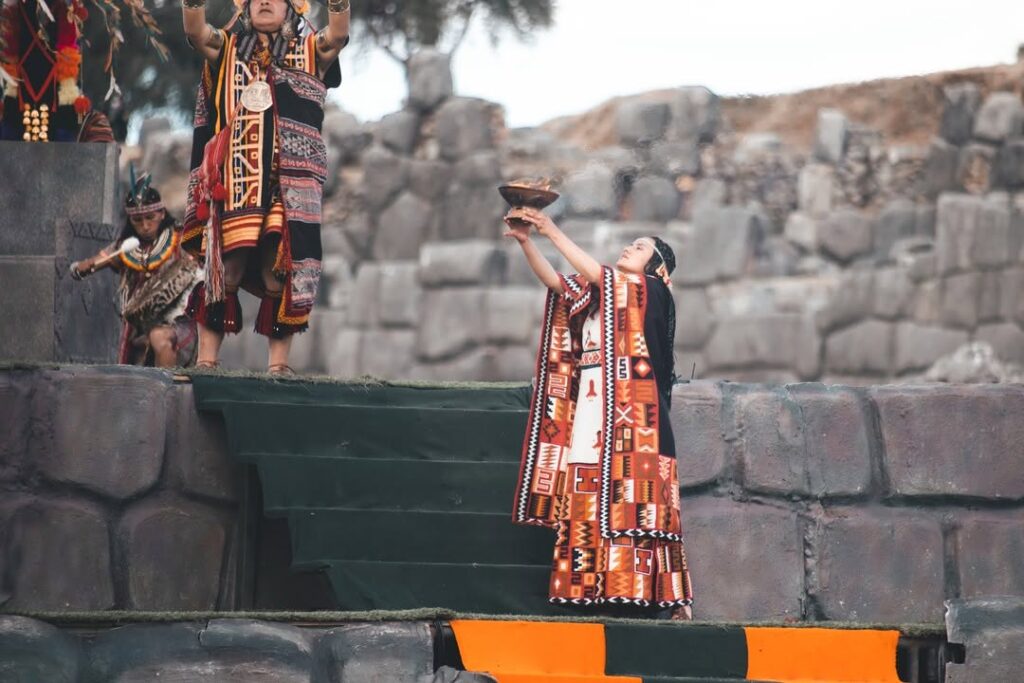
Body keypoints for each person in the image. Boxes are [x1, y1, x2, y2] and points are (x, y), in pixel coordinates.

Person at [506, 206, 694, 620]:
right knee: (585, 491)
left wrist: (550, 228)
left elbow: (597, 274)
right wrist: (526, 242)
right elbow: (558, 284)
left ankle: (653, 594)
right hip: (594, 411)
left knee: (636, 501)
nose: (629, 248)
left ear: (658, 267)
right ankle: (593, 589)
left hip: (637, 419)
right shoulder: (602, 296)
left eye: (640, 247)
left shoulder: (650, 291)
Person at [180, 0, 350, 374]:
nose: (265, 2)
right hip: (235, 180)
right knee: (227, 267)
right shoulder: (226, 48)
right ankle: (206, 362)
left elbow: (337, 35)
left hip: (287, 183)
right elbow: (195, 30)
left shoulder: (309, 50)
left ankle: (278, 367)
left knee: (279, 270)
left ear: (291, 8)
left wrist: (338, 4)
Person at [71, 175, 201, 368]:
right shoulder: (125, 248)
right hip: (138, 327)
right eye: (137, 220)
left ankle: (168, 385)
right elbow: (97, 261)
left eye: (150, 218)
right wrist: (83, 266)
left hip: (177, 321)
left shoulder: (180, 238)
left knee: (160, 339)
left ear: (162, 213)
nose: (145, 226)